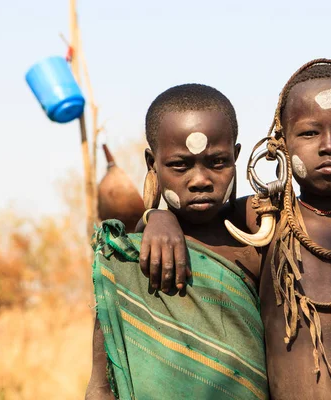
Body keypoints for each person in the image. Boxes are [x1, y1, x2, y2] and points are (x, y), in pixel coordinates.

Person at [139, 59, 331, 399]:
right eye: (309, 133)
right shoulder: (263, 221)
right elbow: (195, 212)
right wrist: (158, 218)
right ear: (280, 146)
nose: (329, 145)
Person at [85, 83, 268, 400]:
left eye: (218, 162)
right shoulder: (129, 255)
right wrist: (154, 216)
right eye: (180, 165)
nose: (200, 180)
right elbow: (100, 386)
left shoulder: (260, 230)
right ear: (151, 163)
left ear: (236, 156)